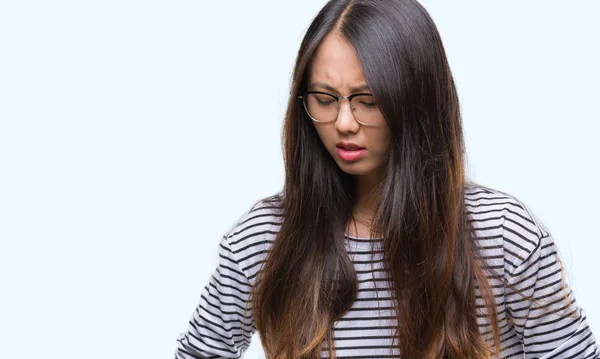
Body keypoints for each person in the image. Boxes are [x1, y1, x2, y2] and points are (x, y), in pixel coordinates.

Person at [174, 0, 599, 358]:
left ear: (416, 102)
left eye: (368, 101)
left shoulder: (504, 235)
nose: (343, 122)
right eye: (324, 99)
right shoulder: (264, 237)